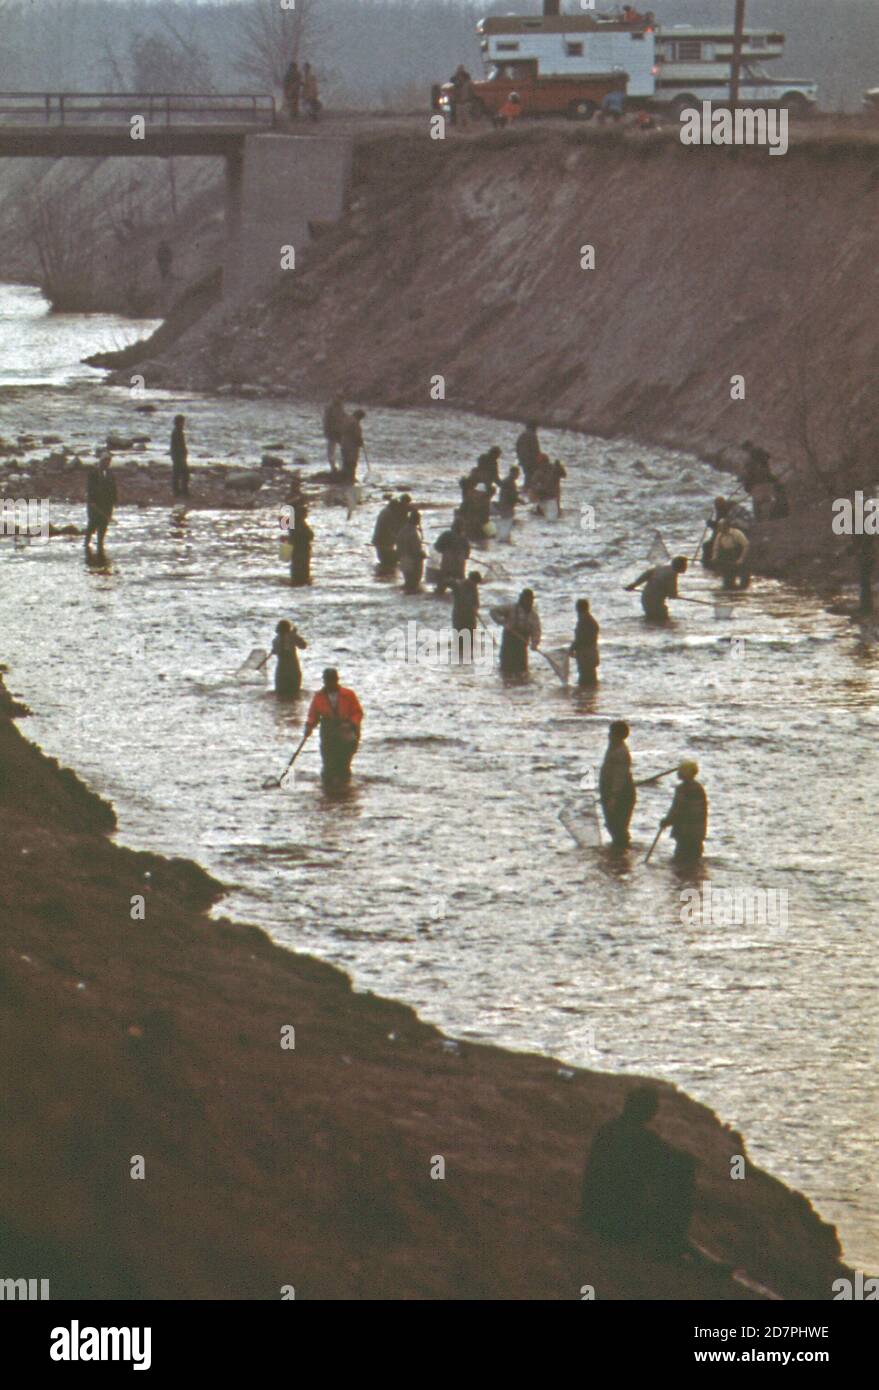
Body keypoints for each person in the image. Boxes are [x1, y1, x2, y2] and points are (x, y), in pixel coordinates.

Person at [580, 1086, 697, 1260]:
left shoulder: (607, 1130)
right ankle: (673, 1243)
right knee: (682, 1175)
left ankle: (673, 1239)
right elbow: (679, 1160)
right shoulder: (644, 1139)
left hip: (592, 1214)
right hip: (618, 1221)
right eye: (652, 1107)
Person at [304, 668, 363, 786]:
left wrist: (351, 724)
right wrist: (309, 726)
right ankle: (330, 789)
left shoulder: (348, 694)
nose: (329, 683)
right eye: (327, 680)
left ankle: (343, 789)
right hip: (328, 731)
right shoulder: (319, 696)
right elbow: (313, 714)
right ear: (324, 681)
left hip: (346, 731)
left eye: (332, 680)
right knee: (328, 763)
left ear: (336, 680)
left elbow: (358, 712)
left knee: (344, 763)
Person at [661, 761, 708, 863]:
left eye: (680, 771)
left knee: (680, 860)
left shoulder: (682, 789)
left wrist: (666, 821)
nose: (678, 773)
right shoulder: (699, 788)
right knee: (694, 860)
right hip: (698, 831)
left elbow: (677, 809)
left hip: (685, 831)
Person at [599, 720, 635, 849]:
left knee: (617, 826)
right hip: (612, 792)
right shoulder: (613, 747)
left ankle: (621, 853)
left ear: (617, 735)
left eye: (611, 733)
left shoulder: (620, 753)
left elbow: (619, 777)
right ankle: (620, 854)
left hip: (620, 795)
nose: (608, 735)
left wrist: (613, 797)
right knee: (613, 825)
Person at [492, 588, 541, 674]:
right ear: (522, 598)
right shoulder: (511, 608)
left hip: (522, 645)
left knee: (521, 671)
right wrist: (503, 622)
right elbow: (493, 611)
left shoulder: (533, 616)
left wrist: (535, 643)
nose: (529, 602)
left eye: (530, 600)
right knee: (506, 669)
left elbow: (536, 631)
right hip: (509, 642)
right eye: (527, 599)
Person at [625, 556, 688, 622]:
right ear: (681, 566)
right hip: (655, 601)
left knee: (652, 619)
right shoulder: (672, 574)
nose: (686, 568)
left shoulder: (660, 569)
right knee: (663, 620)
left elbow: (644, 576)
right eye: (685, 565)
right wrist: (673, 595)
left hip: (645, 597)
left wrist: (632, 586)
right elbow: (672, 593)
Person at [85, 454, 117, 557]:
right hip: (95, 503)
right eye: (105, 461)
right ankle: (86, 542)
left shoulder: (110, 474)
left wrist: (115, 500)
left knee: (104, 524)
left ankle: (100, 543)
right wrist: (91, 500)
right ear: (101, 461)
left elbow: (114, 488)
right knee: (93, 523)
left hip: (107, 504)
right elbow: (89, 488)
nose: (107, 463)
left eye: (108, 462)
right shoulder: (93, 473)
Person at [271, 619, 307, 699]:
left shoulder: (275, 640)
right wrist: (295, 636)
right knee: (294, 693)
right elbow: (303, 646)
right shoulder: (292, 637)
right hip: (292, 668)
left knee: (281, 693)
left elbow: (277, 651)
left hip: (282, 669)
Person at [433, 515, 470, 594]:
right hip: (459, 566)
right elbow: (467, 554)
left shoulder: (446, 535)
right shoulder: (463, 538)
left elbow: (437, 546)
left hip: (447, 565)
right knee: (460, 589)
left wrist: (443, 551)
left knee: (441, 588)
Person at [711, 519, 750, 590]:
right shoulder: (719, 536)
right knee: (728, 583)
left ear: (727, 526)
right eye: (719, 526)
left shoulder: (737, 533)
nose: (719, 528)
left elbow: (746, 546)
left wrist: (741, 559)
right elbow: (716, 548)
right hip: (728, 559)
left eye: (721, 526)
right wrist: (714, 557)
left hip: (740, 557)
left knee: (744, 582)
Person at [570, 598, 600, 688]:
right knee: (591, 680)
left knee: (584, 681)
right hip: (592, 654)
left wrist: (572, 648)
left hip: (585, 656)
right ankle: (590, 698)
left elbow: (580, 639)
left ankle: (586, 699)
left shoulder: (584, 622)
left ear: (578, 609)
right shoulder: (592, 621)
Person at [397, 507, 425, 593]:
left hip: (403, 560)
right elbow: (417, 551)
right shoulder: (414, 533)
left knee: (408, 585)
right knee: (414, 587)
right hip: (413, 563)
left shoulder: (402, 530)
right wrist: (423, 554)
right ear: (417, 520)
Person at [372, 496, 404, 571]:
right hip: (383, 542)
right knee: (391, 561)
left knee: (387, 562)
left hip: (380, 541)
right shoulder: (388, 514)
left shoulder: (385, 511)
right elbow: (390, 530)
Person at [451, 570, 482, 643]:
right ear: (471, 580)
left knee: (470, 640)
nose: (475, 585)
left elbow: (476, 602)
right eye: (475, 583)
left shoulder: (473, 587)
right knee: (459, 639)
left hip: (469, 616)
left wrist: (476, 608)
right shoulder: (459, 586)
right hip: (460, 615)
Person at [289, 501, 314, 586]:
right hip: (300, 551)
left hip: (301, 551)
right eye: (305, 513)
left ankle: (300, 580)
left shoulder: (298, 523)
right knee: (301, 569)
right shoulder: (298, 524)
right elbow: (306, 535)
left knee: (300, 568)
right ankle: (301, 581)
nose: (306, 515)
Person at [340, 409, 366, 484]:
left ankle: (345, 477)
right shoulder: (355, 423)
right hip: (351, 446)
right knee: (352, 462)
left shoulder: (347, 419)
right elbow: (356, 436)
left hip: (344, 443)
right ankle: (351, 478)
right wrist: (360, 442)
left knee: (346, 461)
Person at [322, 394, 346, 472]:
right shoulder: (329, 407)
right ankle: (333, 467)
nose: (340, 401)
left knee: (344, 449)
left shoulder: (341, 406)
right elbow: (326, 420)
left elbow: (343, 416)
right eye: (339, 398)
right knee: (331, 450)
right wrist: (326, 431)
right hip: (331, 431)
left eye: (341, 399)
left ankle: (342, 466)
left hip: (340, 431)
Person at [515, 422, 541, 488]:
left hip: (522, 458)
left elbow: (517, 447)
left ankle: (526, 486)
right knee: (531, 474)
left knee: (527, 474)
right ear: (534, 428)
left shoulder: (522, 435)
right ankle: (528, 488)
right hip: (531, 459)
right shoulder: (532, 435)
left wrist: (519, 458)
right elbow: (535, 449)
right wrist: (538, 459)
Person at [170, 414, 189, 499]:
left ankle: (179, 491)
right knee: (182, 473)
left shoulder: (178, 431)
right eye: (182, 422)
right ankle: (180, 491)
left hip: (177, 455)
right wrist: (182, 454)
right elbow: (178, 445)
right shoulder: (177, 432)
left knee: (179, 473)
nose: (183, 424)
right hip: (178, 455)